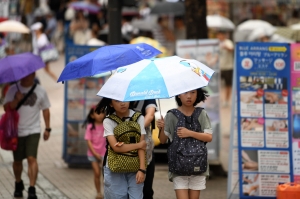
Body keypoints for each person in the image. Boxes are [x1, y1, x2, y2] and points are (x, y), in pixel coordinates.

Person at [157, 88, 213, 199]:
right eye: (185, 92)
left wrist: (189, 133)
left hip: (198, 165)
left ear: (197, 94)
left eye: (193, 92)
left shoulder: (201, 113)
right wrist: (162, 128)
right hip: (178, 167)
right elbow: (162, 140)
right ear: (178, 95)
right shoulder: (171, 115)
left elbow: (209, 137)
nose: (189, 96)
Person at [3, 72, 51, 199]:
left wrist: (48, 128)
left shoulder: (40, 90)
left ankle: (32, 188)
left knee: (31, 159)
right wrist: (15, 100)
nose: (25, 76)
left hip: (33, 130)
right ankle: (18, 183)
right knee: (17, 161)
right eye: (23, 74)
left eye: (28, 74)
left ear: (33, 74)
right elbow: (5, 108)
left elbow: (46, 109)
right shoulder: (13, 89)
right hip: (16, 132)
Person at [95, 97, 147, 199]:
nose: (122, 103)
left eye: (125, 99)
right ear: (111, 104)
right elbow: (116, 148)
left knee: (136, 197)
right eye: (117, 101)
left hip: (135, 166)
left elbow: (142, 147)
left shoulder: (139, 117)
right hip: (115, 167)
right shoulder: (108, 121)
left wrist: (142, 169)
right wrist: (138, 145)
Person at [130, 100, 157, 199]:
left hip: (146, 150)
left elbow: (149, 115)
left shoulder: (149, 97)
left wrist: (134, 130)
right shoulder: (123, 97)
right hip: (125, 151)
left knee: (146, 190)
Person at [83, 106, 106, 199]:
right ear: (92, 115)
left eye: (102, 112)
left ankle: (107, 193)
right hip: (93, 155)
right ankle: (98, 193)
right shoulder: (90, 127)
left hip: (104, 154)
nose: (100, 115)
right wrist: (95, 154)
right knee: (97, 173)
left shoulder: (106, 125)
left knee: (106, 175)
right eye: (98, 113)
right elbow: (88, 141)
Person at [216, 31, 234, 108]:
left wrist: (225, 47)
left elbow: (231, 49)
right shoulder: (216, 43)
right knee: (217, 85)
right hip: (219, 68)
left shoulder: (228, 42)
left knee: (228, 85)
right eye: (218, 35)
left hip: (228, 67)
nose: (219, 36)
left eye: (221, 35)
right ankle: (218, 100)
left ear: (224, 35)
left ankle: (226, 100)